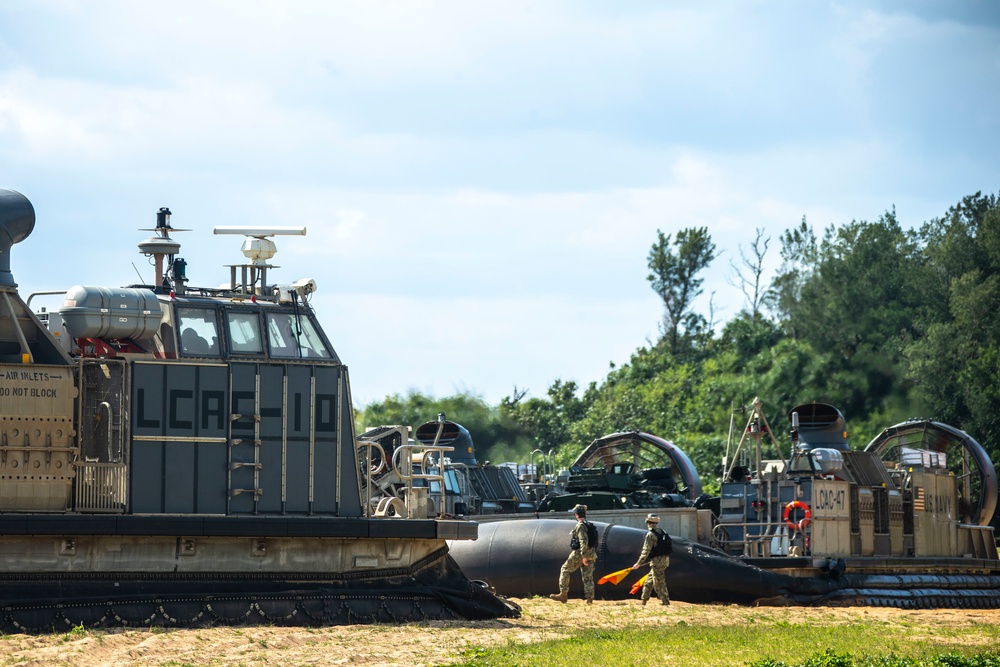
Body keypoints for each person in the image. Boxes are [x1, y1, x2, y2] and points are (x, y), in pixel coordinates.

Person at [549, 504, 598, 604]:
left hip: (580, 553)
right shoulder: (589, 525)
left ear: (576, 514)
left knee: (565, 569)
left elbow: (583, 540)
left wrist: (583, 555)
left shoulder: (580, 526)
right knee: (588, 577)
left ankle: (563, 594)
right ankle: (589, 599)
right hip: (592, 553)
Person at [631, 513, 671, 605]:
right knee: (649, 581)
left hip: (657, 562)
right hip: (664, 560)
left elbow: (646, 550)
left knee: (659, 582)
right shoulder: (662, 532)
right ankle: (644, 600)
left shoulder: (651, 535)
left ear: (648, 522)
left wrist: (638, 563)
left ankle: (665, 602)